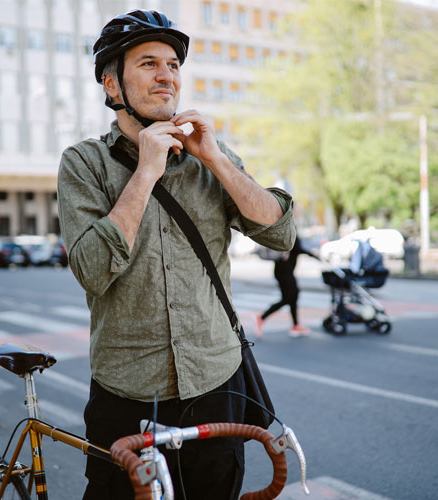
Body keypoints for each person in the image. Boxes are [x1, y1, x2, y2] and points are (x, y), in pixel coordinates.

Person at [57, 9, 296, 500]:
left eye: (173, 65)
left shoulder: (212, 153)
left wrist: (216, 161)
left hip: (216, 382)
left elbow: (280, 233)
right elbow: (92, 271)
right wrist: (145, 172)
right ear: (112, 85)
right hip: (127, 390)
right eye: (148, 63)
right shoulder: (84, 163)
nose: (167, 75)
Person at [256, 235, 317, 338]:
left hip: (286, 271)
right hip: (284, 272)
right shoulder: (288, 229)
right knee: (288, 298)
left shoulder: (290, 228)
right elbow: (296, 248)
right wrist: (312, 254)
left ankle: (296, 325)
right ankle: (261, 317)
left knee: (293, 296)